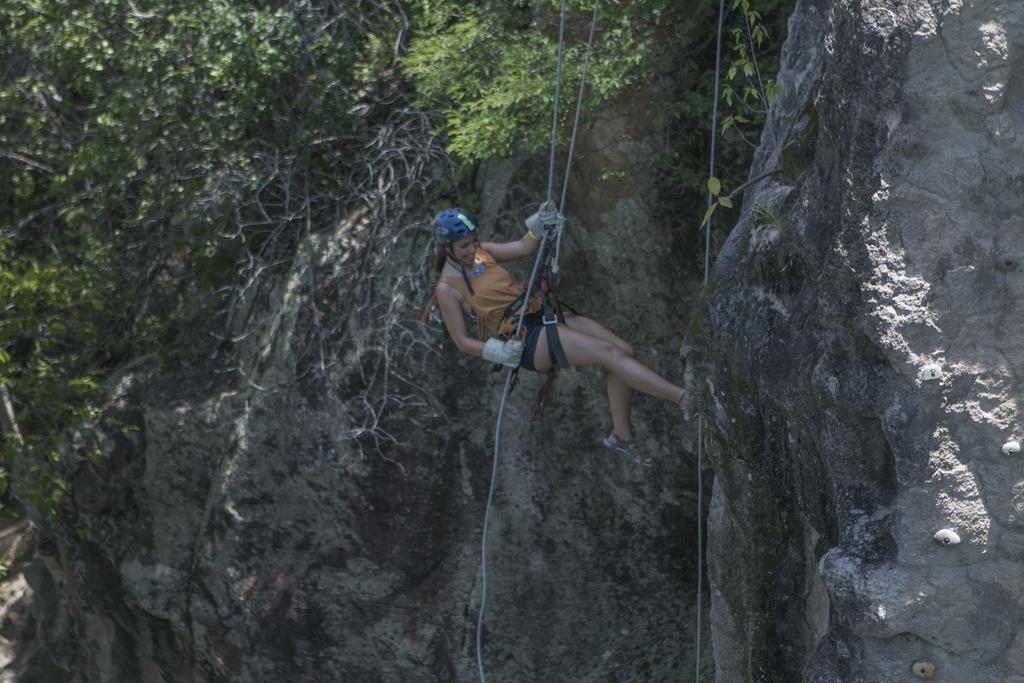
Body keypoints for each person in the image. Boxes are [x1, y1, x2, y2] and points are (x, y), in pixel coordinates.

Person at [430, 204, 685, 464]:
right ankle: (685, 399)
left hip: (542, 311)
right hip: (527, 337)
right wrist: (497, 351)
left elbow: (522, 247)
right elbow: (461, 340)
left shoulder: (484, 253)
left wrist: (538, 225)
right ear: (446, 247)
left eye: (474, 241)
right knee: (609, 353)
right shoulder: (447, 288)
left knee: (623, 351)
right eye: (464, 246)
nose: (472, 249)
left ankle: (621, 435)